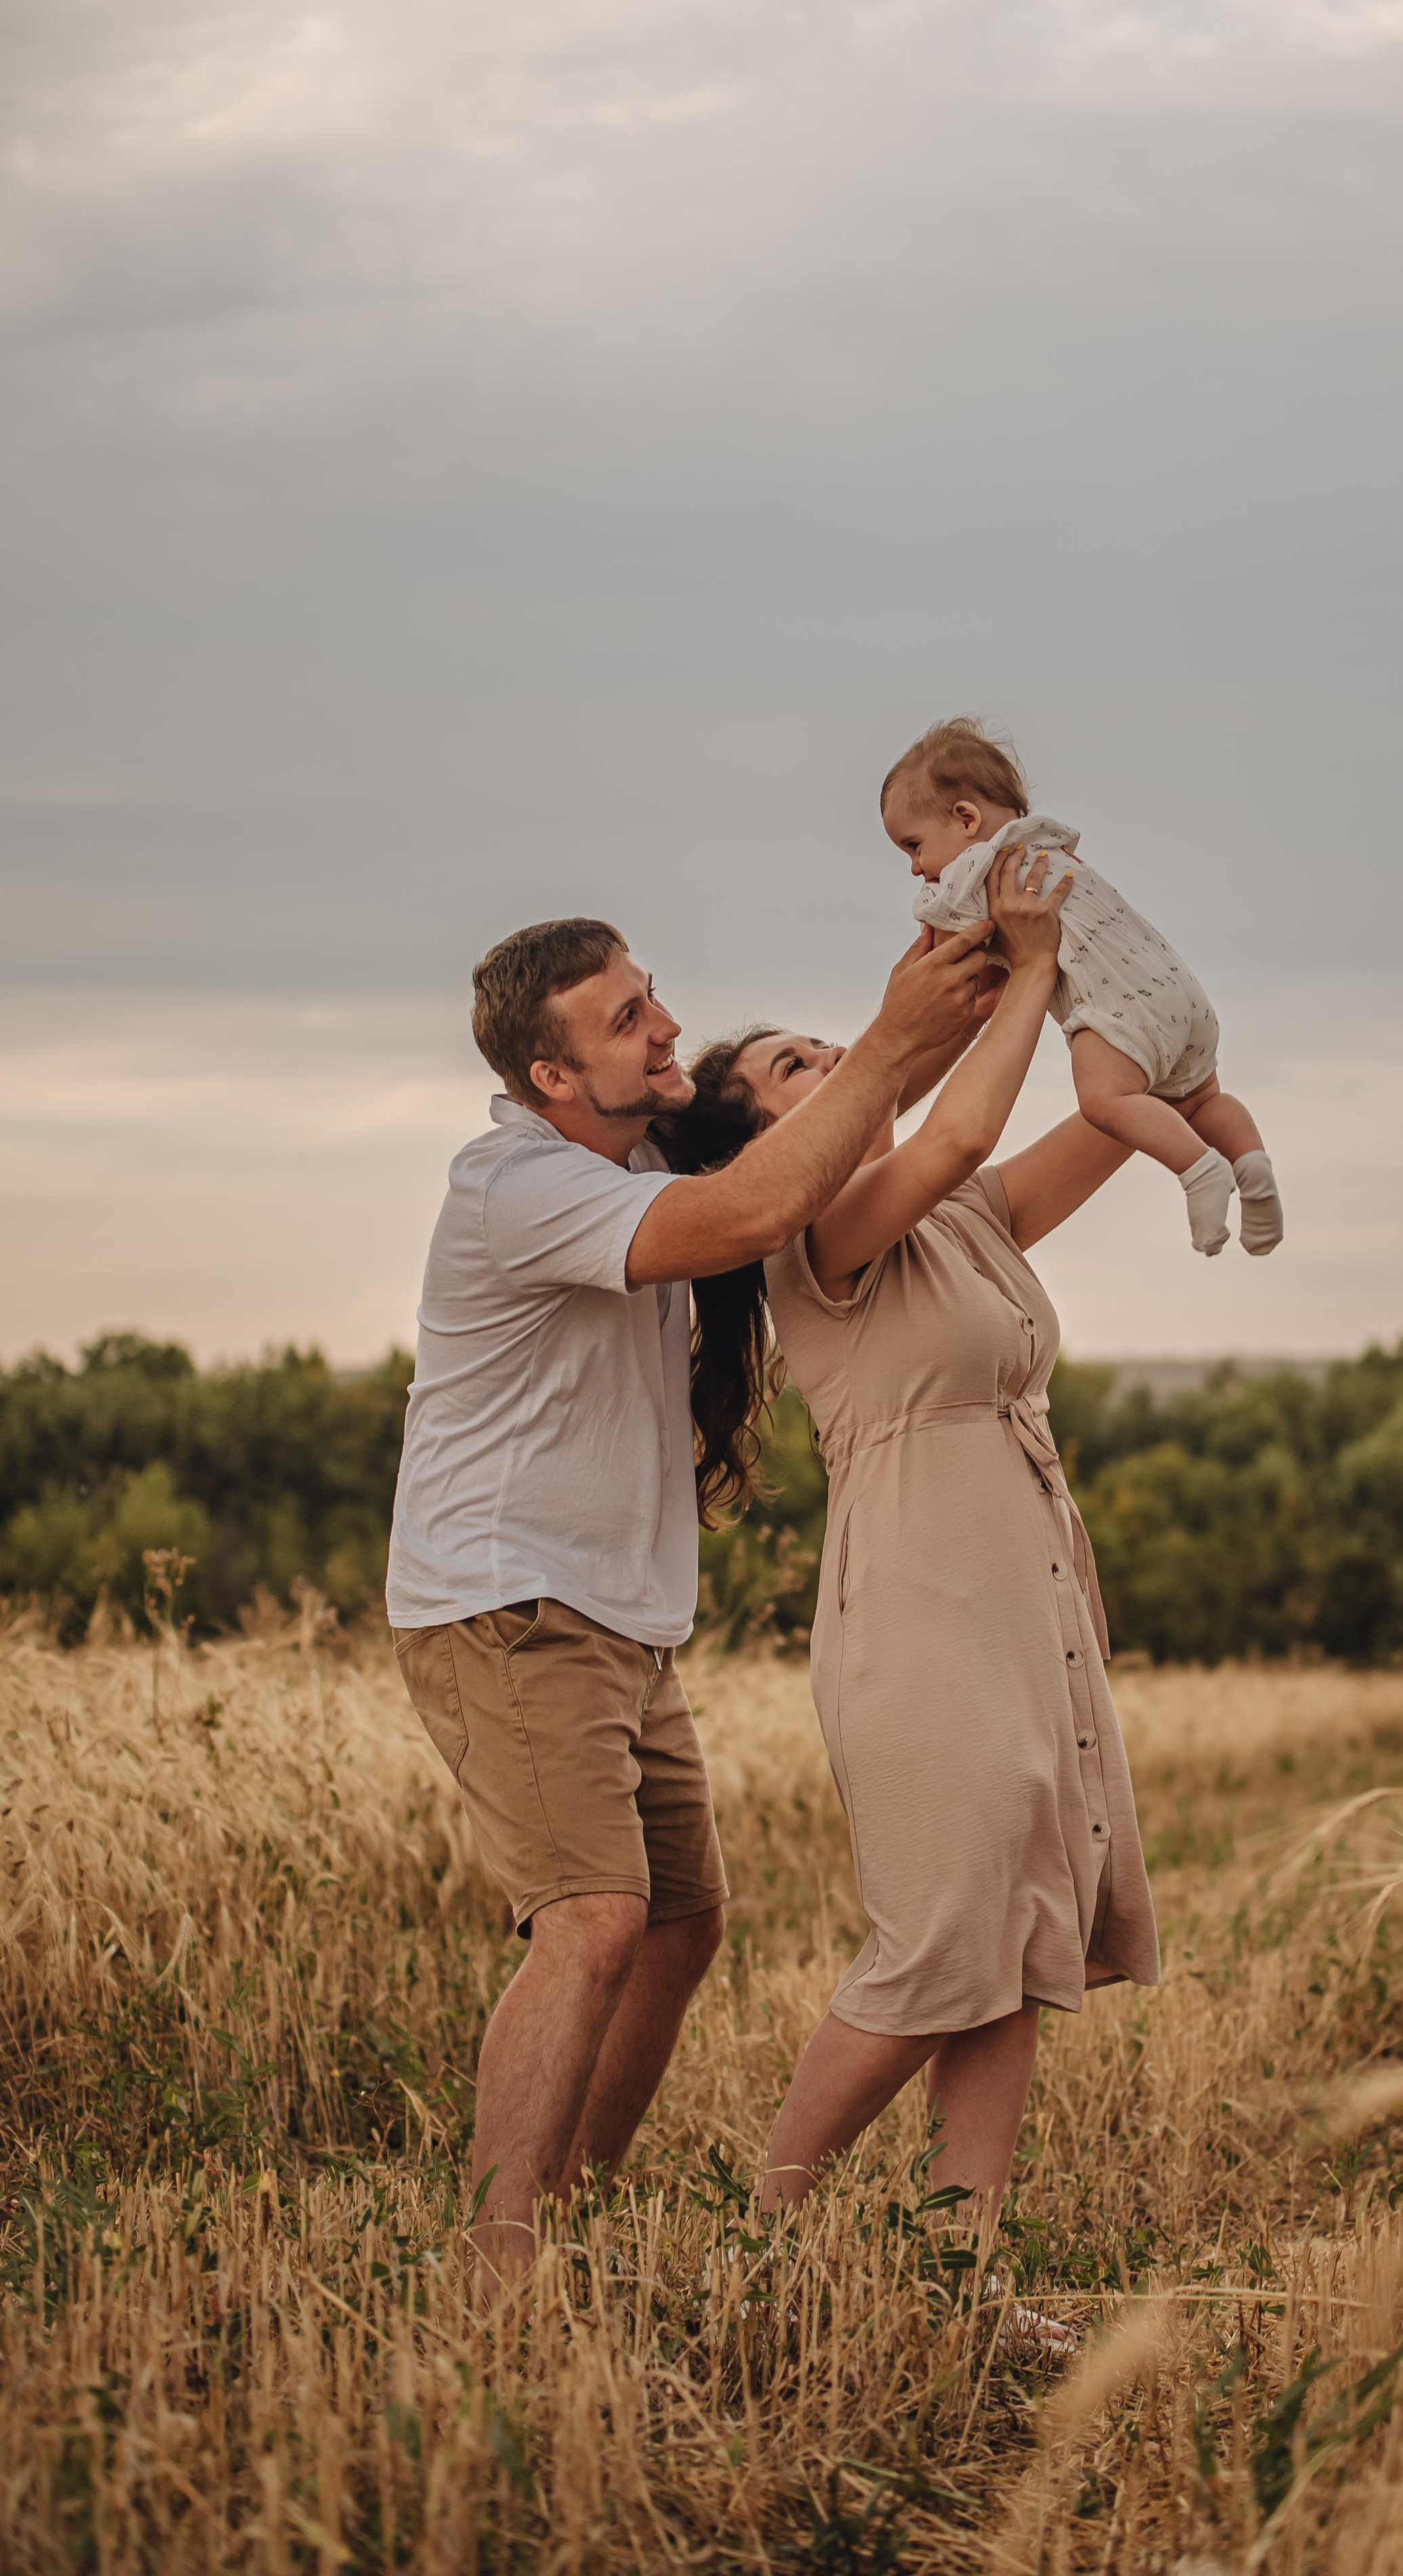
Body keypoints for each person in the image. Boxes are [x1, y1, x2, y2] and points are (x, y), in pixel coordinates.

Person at [385, 909, 996, 2300]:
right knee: (595, 1921)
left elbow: (817, 1139)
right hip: (506, 1602)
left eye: (650, 1000)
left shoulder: (630, 1155)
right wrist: (897, 1039)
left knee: (679, 1923)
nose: (661, 1028)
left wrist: (978, 987)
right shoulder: (519, 1183)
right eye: (623, 1020)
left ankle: (576, 2206)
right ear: (551, 1078)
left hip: (616, 1617)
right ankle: (496, 2276)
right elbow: (750, 1210)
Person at [654, 847, 1162, 2276]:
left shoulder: (960, 1215)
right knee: (938, 1942)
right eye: (799, 1065)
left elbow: (1113, 1120)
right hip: (921, 1619)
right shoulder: (820, 1233)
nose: (839, 1060)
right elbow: (940, 1134)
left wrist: (1108, 985)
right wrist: (1034, 970)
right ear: (761, 1136)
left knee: (1017, 1948)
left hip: (1027, 1603)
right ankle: (753, 2246)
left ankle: (956, 2279)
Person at [883, 716, 1284, 1261]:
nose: (914, 868)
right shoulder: (1052, 847)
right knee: (1202, 1098)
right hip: (1180, 992)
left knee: (1105, 1101)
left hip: (1119, 1008)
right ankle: (1252, 1165)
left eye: (914, 845)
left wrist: (927, 932)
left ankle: (1198, 1170)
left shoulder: (985, 865)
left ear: (966, 819)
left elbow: (945, 926)